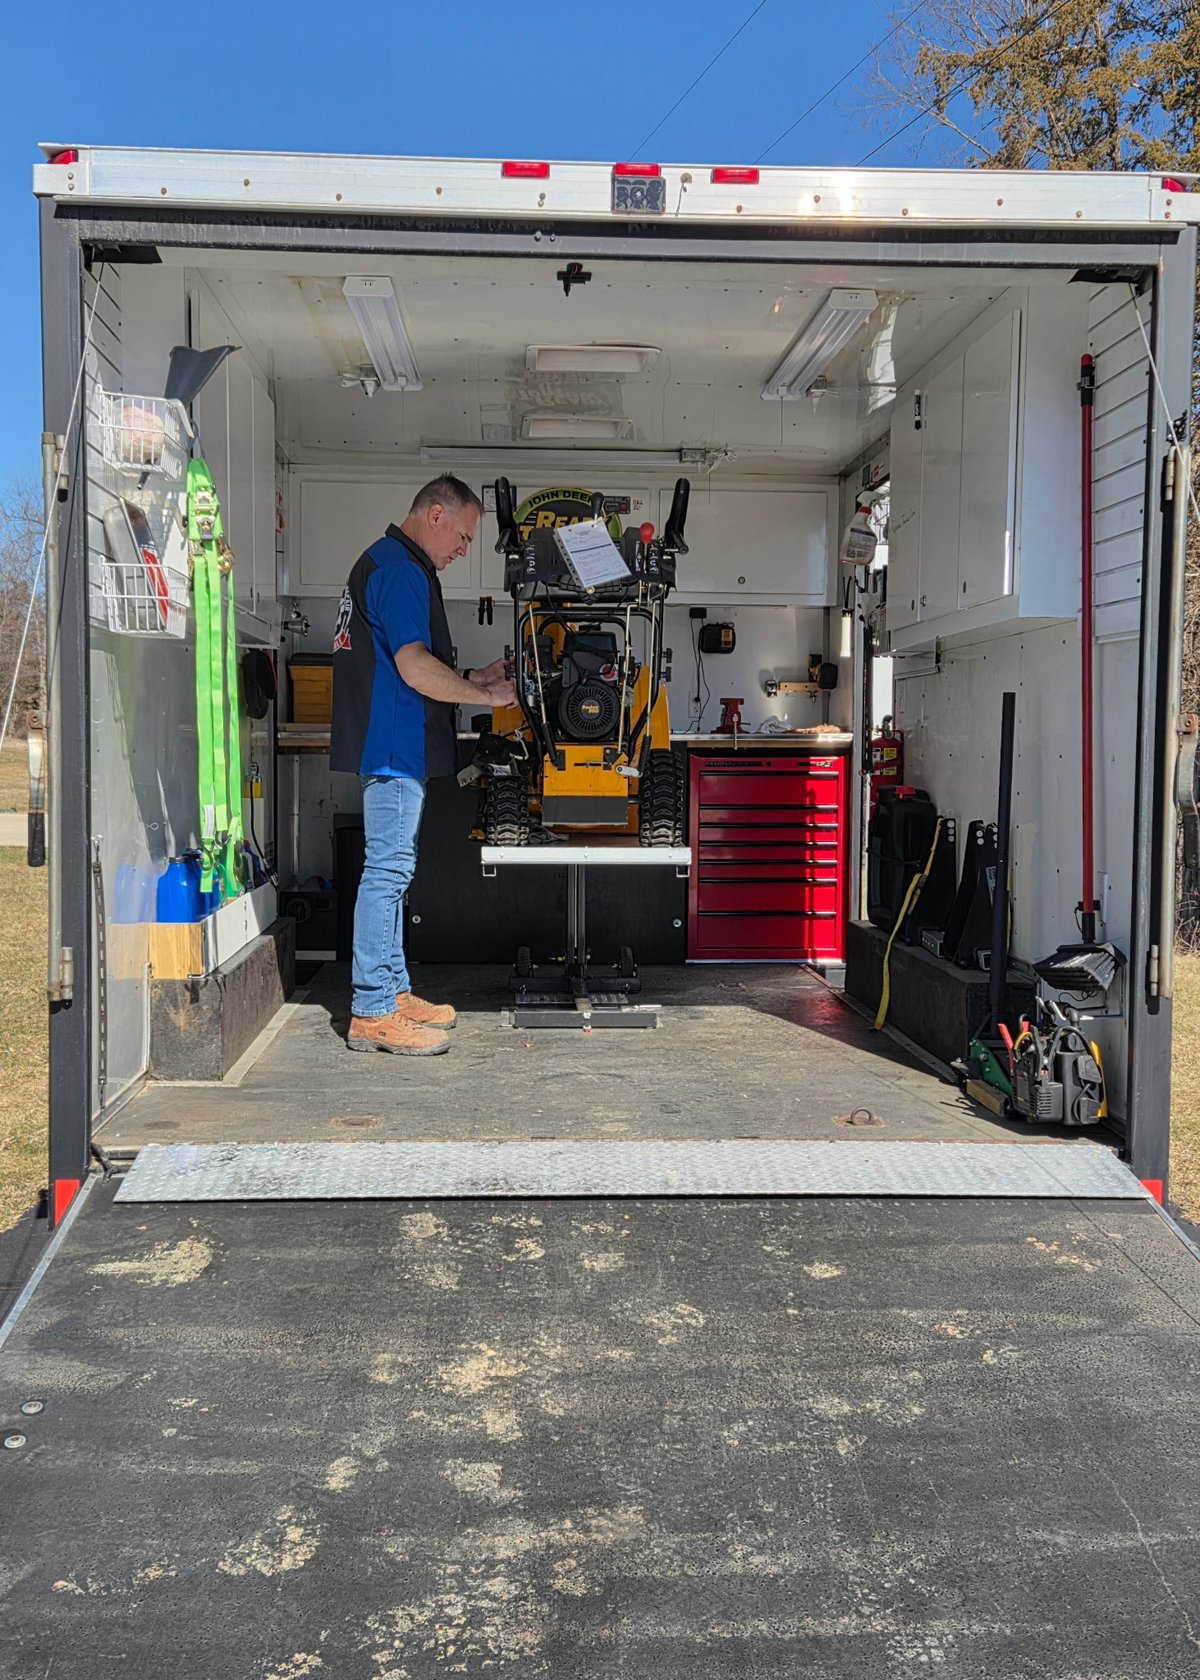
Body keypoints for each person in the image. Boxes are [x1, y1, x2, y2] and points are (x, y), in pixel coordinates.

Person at [330, 476, 516, 1055]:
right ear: (435, 515)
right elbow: (413, 668)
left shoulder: (390, 563)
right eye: (462, 536)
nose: (463, 549)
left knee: (395, 871)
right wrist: (487, 698)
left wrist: (475, 677)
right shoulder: (401, 570)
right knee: (386, 873)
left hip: (395, 743)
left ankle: (392, 990)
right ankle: (371, 1009)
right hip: (393, 747)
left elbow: (407, 660)